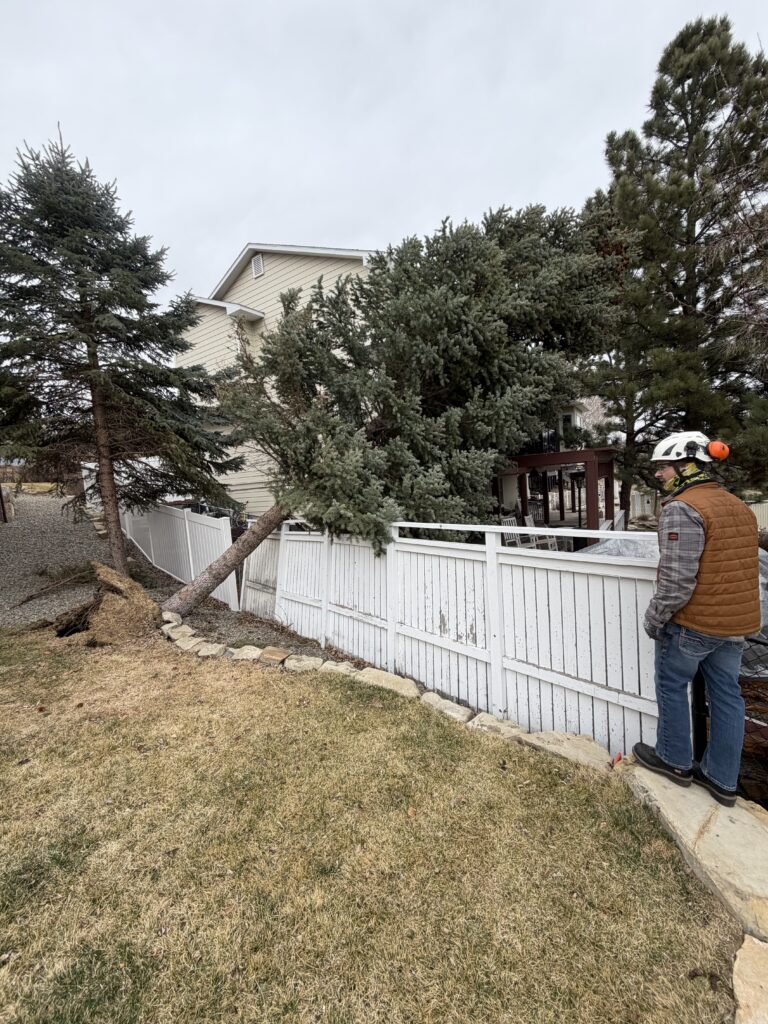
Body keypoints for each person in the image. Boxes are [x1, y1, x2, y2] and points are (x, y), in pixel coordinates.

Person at [632, 431, 760, 807]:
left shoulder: (682, 509)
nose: (659, 474)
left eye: (664, 467)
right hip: (735, 626)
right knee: (728, 697)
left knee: (671, 685)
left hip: (695, 624)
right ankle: (722, 780)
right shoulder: (738, 506)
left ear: (687, 467)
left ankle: (674, 761)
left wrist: (654, 620)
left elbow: (676, 581)